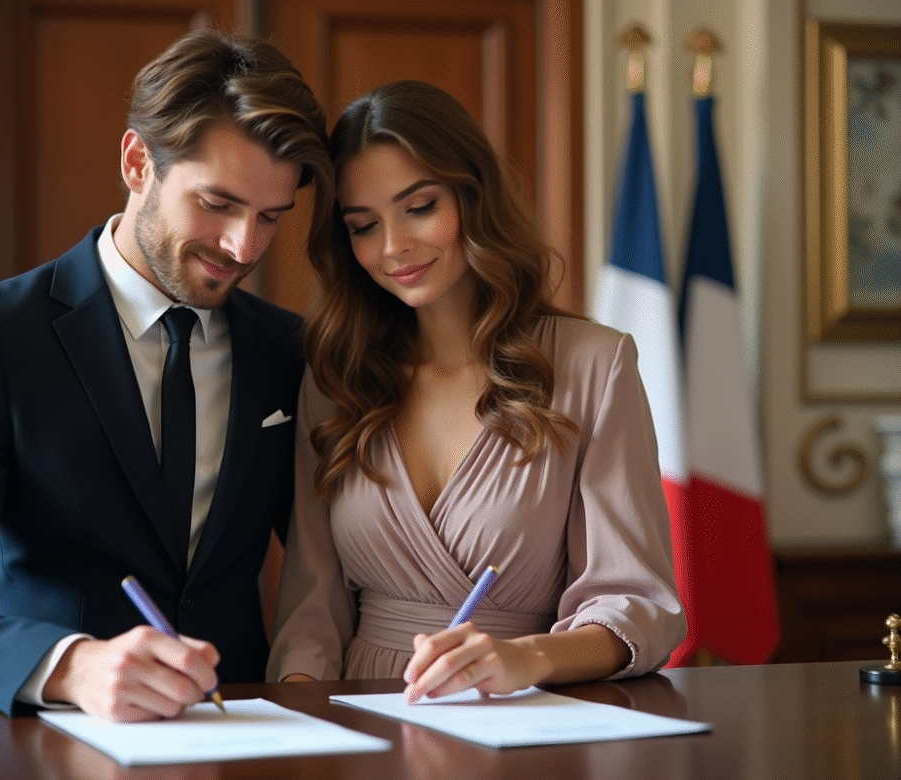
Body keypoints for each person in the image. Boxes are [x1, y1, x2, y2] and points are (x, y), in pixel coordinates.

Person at [0, 28, 332, 721]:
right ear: (136, 161)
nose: (245, 246)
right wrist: (72, 665)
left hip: (245, 732)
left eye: (270, 217)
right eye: (217, 203)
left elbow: (330, 557)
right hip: (54, 744)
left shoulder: (286, 350)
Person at [266, 80, 685, 702]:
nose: (394, 248)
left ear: (473, 194)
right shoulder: (336, 378)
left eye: (420, 207)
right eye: (363, 226)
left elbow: (639, 606)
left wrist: (523, 657)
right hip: (366, 718)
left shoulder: (593, 365)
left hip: (525, 712)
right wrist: (298, 726)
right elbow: (311, 608)